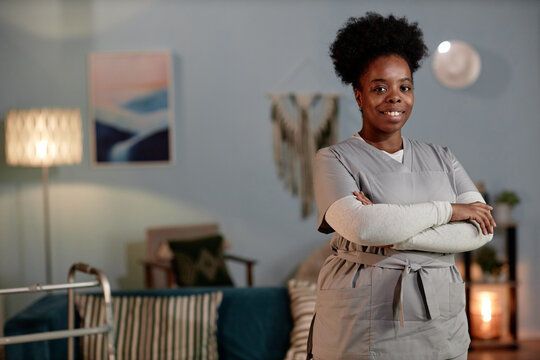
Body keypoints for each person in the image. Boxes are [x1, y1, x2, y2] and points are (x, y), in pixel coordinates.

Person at [310, 13, 496, 360]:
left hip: (440, 317)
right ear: (359, 96)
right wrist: (449, 211)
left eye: (404, 87)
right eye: (380, 88)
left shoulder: (442, 156)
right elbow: (362, 225)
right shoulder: (333, 159)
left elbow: (480, 231)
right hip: (364, 316)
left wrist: (394, 233)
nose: (394, 97)